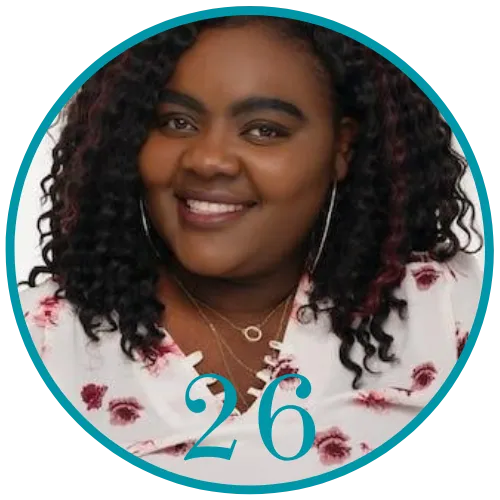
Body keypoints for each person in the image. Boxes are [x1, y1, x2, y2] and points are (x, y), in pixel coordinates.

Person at [18, 16, 484, 486]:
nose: (207, 160)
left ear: (342, 146)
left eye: (264, 130)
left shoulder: (445, 315)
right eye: (177, 122)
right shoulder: (44, 339)